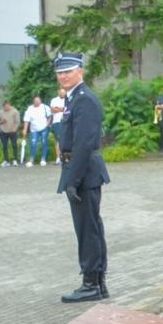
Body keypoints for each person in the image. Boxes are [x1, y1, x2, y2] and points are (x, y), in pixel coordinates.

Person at [53, 52, 110, 302]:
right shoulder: (74, 98)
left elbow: (84, 144)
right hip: (80, 171)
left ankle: (91, 284)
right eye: (60, 72)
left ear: (80, 70)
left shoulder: (83, 99)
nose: (63, 76)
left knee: (88, 229)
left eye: (68, 71)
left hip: (83, 173)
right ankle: (97, 283)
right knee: (90, 227)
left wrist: (72, 181)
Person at [24, 94, 52, 166]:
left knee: (44, 143)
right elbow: (26, 120)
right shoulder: (30, 108)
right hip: (34, 129)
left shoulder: (45, 107)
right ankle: (31, 160)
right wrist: (25, 129)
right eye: (35, 100)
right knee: (33, 143)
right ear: (33, 101)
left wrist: (47, 124)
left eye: (38, 100)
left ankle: (43, 159)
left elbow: (50, 116)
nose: (37, 102)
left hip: (44, 128)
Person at [0, 100, 22, 166]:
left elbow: (17, 122)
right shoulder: (1, 112)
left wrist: (14, 129)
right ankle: (6, 160)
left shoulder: (15, 111)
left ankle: (15, 160)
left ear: (9, 105)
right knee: (4, 146)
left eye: (7, 106)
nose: (6, 108)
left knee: (14, 145)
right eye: (4, 107)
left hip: (12, 131)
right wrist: (2, 122)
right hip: (4, 131)